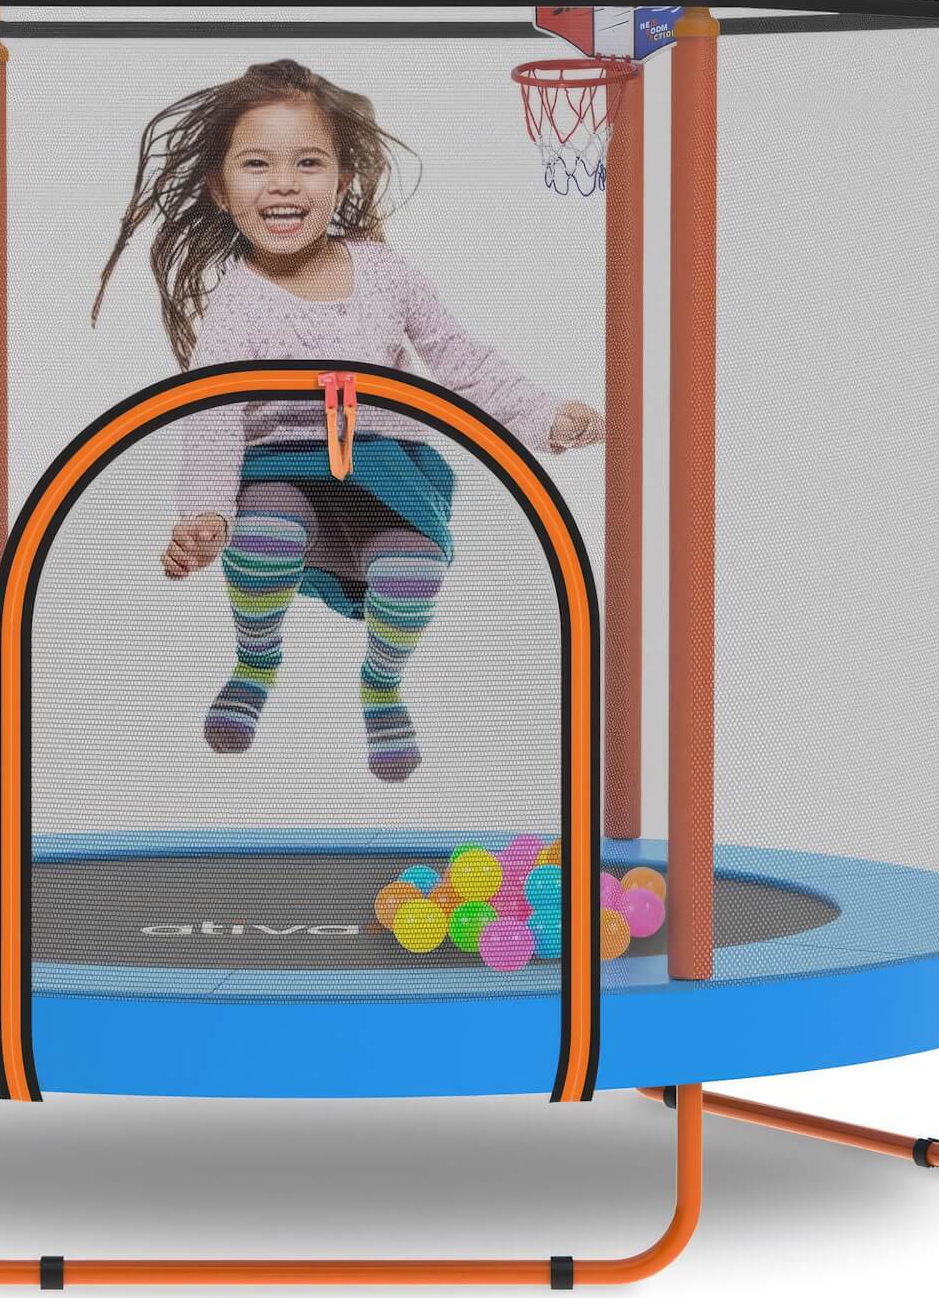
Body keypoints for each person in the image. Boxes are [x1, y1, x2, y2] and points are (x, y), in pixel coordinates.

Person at [93, 60, 603, 781]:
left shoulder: (387, 274)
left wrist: (551, 415)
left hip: (388, 475)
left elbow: (461, 359)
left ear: (341, 180)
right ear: (219, 186)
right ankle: (257, 659)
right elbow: (212, 416)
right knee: (264, 526)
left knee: (416, 567)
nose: (283, 183)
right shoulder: (236, 304)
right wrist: (206, 516)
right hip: (284, 478)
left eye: (308, 162)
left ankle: (383, 685)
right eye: (256, 164)